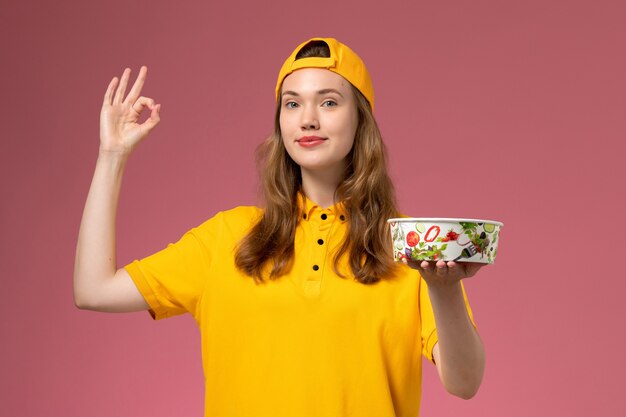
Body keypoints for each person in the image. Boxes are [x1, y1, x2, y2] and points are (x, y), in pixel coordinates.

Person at [74, 37, 486, 417]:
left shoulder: (410, 244)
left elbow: (465, 383)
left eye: (328, 102)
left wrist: (443, 287)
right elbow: (93, 290)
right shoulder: (226, 237)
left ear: (361, 120)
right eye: (292, 104)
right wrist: (111, 156)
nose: (307, 119)